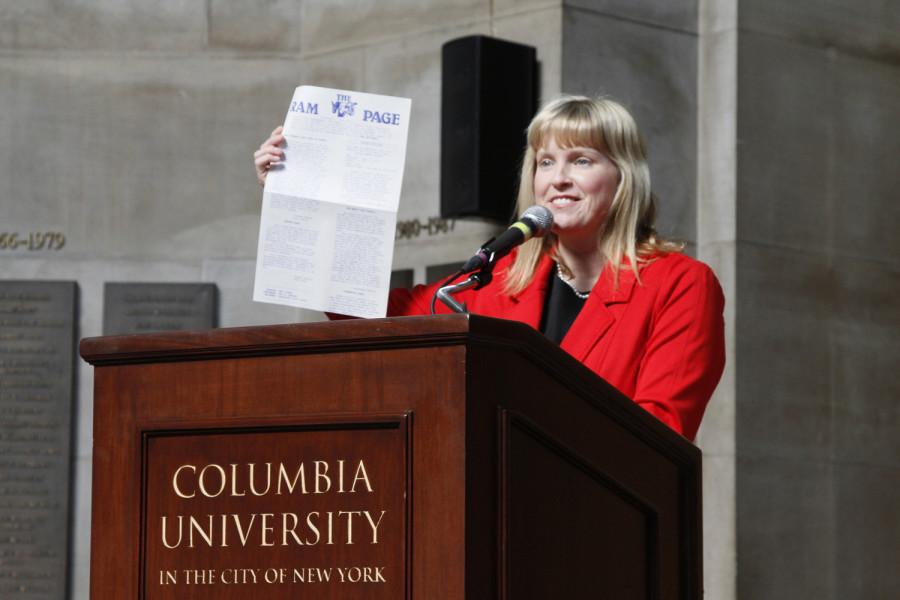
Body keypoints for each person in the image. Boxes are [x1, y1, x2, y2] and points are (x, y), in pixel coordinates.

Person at [254, 96, 725, 441]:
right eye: (545, 162)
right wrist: (300, 197)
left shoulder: (678, 284)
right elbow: (364, 309)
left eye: (580, 160)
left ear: (623, 178)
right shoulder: (493, 283)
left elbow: (659, 433)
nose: (558, 178)